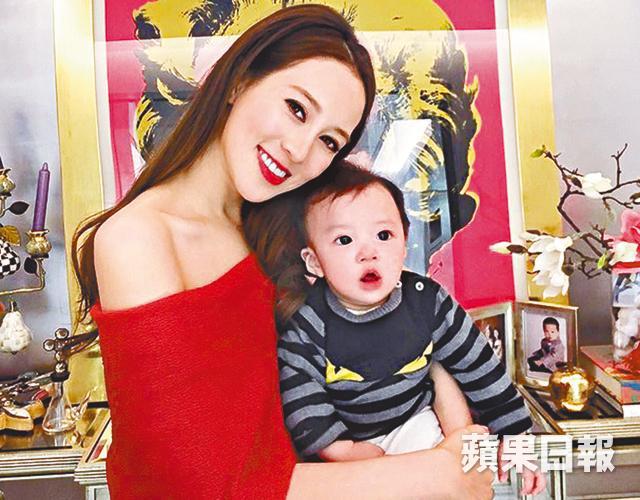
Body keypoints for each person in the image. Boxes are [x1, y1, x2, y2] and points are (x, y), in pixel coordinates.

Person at [72, 5, 495, 499]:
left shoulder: (270, 230)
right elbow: (195, 486)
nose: (299, 149)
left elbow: (394, 338)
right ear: (239, 81)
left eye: (329, 141)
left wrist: (456, 432)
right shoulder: (139, 238)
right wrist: (435, 473)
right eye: (297, 108)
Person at [269, 163, 544, 494]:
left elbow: (480, 367)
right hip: (352, 445)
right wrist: (339, 449)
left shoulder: (426, 301)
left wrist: (516, 436)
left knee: (458, 480)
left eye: (384, 236)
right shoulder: (310, 324)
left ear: (404, 242)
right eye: (344, 240)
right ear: (314, 261)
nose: (368, 253)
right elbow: (302, 397)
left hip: (416, 422)